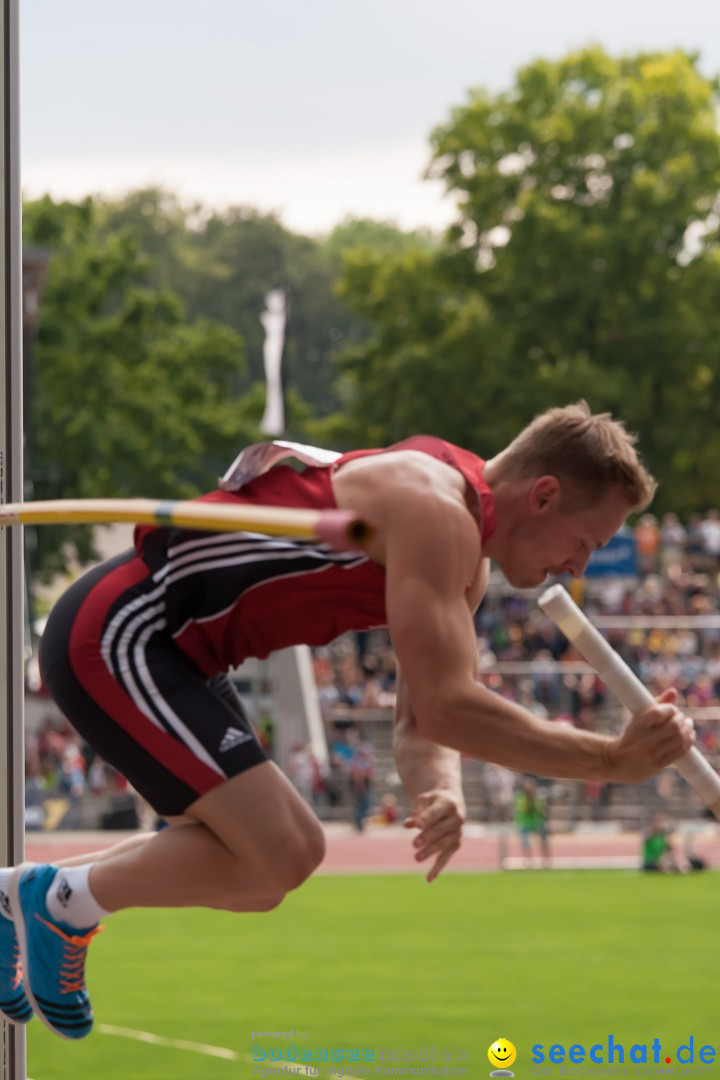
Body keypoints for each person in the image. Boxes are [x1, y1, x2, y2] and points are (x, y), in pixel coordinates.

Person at [0, 401, 695, 1039]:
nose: (577, 568)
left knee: (256, 873)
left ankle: (14, 901)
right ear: (543, 495)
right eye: (586, 543)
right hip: (125, 631)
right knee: (283, 851)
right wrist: (609, 760)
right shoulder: (433, 507)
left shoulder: (464, 555)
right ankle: (62, 901)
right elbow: (452, 706)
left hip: (181, 656)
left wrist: (440, 789)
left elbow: (426, 716)